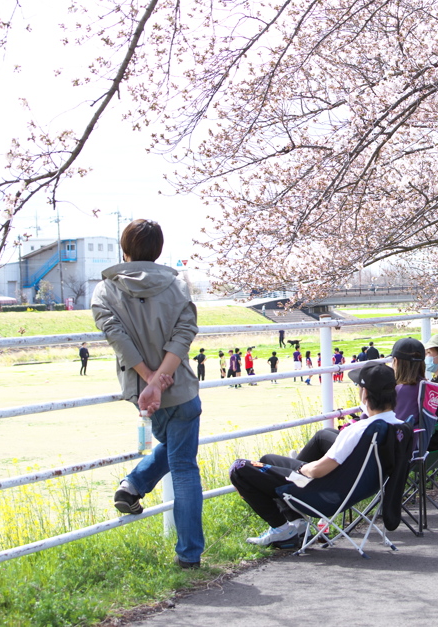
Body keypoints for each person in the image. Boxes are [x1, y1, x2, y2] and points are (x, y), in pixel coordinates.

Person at [91, 218, 203, 570]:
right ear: (158, 250)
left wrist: (149, 381)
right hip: (179, 389)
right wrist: (162, 378)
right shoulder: (176, 285)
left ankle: (133, 485)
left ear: (124, 249)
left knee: (173, 451)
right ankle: (189, 555)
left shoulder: (105, 291)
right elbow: (185, 334)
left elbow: (117, 338)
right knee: (183, 465)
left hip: (142, 393)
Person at [228, 364, 404, 547]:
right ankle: (298, 523)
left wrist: (300, 468)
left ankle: (281, 529)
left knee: (239, 468)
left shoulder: (359, 430)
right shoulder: (400, 427)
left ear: (365, 393)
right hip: (355, 491)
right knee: (268, 461)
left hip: (324, 495)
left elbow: (317, 471)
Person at [391, 337, 426, 424]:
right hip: (420, 436)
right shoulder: (425, 385)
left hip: (406, 436)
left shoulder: (401, 390)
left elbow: (397, 424)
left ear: (396, 361)